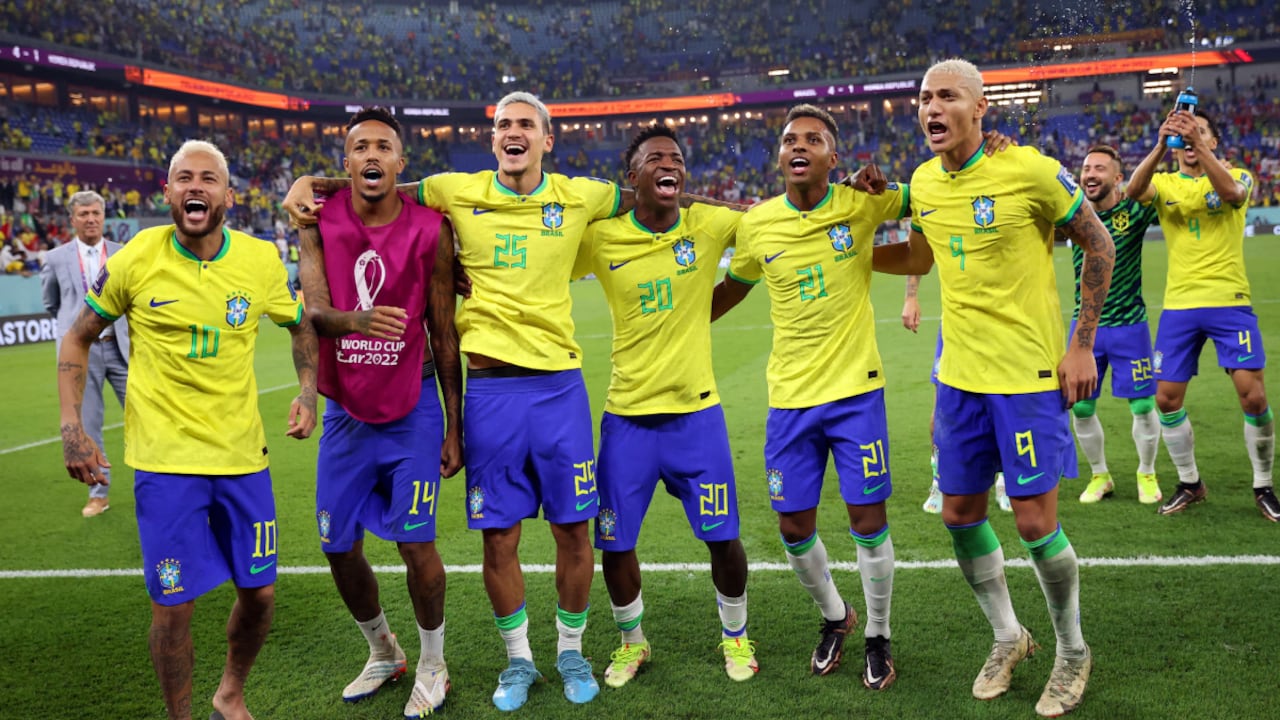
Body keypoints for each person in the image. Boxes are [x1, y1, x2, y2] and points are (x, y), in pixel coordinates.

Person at [286, 91, 620, 711]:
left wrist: (742, 215)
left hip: (559, 388)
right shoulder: (450, 190)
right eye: (503, 126)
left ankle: (569, 650)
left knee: (574, 530)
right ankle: (519, 661)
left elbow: (659, 196)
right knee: (499, 537)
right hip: (489, 391)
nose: (513, 133)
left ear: (548, 139)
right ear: (492, 140)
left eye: (526, 125)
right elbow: (378, 180)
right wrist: (313, 181)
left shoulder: (584, 195)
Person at [883, 58, 1115, 717]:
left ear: (981, 107)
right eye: (924, 96)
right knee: (959, 514)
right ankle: (1009, 636)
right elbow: (921, 256)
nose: (932, 107)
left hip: (1028, 377)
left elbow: (1099, 246)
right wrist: (853, 250)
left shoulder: (1031, 170)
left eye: (947, 96)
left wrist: (1080, 345)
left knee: (1037, 522)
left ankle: (1072, 650)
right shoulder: (925, 181)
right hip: (958, 379)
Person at [57, 139, 318, 720]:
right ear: (168, 192)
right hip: (165, 464)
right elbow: (77, 337)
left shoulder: (257, 261)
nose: (195, 186)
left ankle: (230, 693)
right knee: (172, 609)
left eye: (208, 178)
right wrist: (72, 425)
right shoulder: (136, 258)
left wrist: (306, 390)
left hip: (243, 459)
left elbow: (301, 325)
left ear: (229, 194)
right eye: (183, 178)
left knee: (261, 595)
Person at [712, 104, 910, 692]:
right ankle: (836, 616)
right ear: (779, 158)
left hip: (855, 395)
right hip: (790, 400)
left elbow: (931, 197)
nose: (799, 146)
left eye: (814, 139)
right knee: (792, 524)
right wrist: (682, 319)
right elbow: (733, 288)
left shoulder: (861, 202)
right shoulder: (757, 224)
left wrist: (888, 184)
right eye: (789, 139)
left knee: (865, 519)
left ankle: (878, 633)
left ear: (834, 157)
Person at [296, 107, 463, 718]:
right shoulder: (317, 219)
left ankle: (433, 663)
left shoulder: (431, 229)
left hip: (413, 406)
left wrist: (454, 427)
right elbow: (313, 311)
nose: (371, 155)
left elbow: (444, 335)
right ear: (345, 164)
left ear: (400, 163)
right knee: (337, 545)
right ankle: (383, 649)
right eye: (359, 147)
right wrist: (355, 322)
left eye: (383, 147)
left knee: (416, 545)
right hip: (346, 413)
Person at [578, 125, 755, 688]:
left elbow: (763, 234)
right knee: (615, 541)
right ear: (632, 179)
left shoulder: (709, 225)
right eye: (655, 158)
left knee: (723, 536)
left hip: (696, 417)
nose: (669, 164)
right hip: (627, 418)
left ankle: (735, 636)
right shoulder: (602, 239)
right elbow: (542, 261)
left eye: (676, 159)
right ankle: (633, 642)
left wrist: (706, 307)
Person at [1125, 105, 1278, 521]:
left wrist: (1197, 141)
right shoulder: (1165, 182)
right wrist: (1159, 143)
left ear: (1212, 142)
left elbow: (1232, 195)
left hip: (1230, 302)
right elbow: (1133, 192)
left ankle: (1263, 485)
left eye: (1201, 133)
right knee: (1166, 399)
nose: (1191, 140)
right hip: (1179, 307)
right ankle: (1191, 482)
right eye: (1184, 135)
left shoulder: (1236, 175)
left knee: (1254, 396)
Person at [1072, 146, 1162, 505]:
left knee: (1141, 406)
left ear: (1118, 178)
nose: (1090, 174)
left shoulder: (1134, 212)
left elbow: (1146, 188)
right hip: (1086, 329)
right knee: (1080, 407)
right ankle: (1100, 475)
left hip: (1129, 325)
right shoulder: (1073, 214)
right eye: (1086, 168)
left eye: (1099, 169)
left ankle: (1146, 472)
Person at [41, 190, 130, 518]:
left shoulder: (123, 254)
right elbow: (52, 303)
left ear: (103, 216)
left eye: (95, 213)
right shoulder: (55, 258)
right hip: (84, 354)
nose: (90, 219)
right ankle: (98, 494)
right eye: (83, 214)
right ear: (72, 219)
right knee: (89, 425)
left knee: (145, 416)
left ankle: (158, 483)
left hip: (121, 347)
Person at [904, 277, 1011, 514]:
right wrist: (911, 297)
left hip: (1001, 325)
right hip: (955, 327)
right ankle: (939, 481)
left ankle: (1004, 480)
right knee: (942, 409)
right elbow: (918, 249)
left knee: (1002, 406)